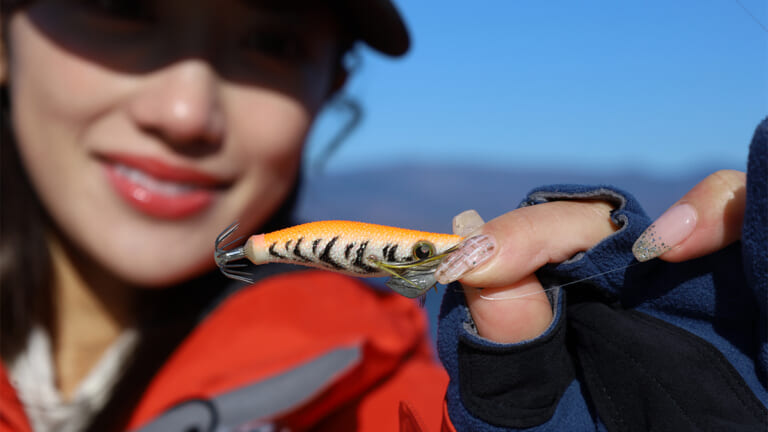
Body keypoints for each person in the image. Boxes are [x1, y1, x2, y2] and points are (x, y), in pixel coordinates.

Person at [0, 1, 765, 431]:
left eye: (271, 40)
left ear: (328, 85)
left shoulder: (421, 398)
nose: (184, 111)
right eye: (117, 6)